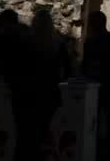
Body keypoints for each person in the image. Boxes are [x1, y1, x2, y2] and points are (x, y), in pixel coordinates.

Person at [12, 10, 71, 161]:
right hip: (48, 97)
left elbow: (14, 69)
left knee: (23, 138)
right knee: (42, 137)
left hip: (24, 96)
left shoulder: (23, 43)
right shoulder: (58, 46)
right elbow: (68, 71)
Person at [82, 11, 110, 157]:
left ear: (92, 25)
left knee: (92, 121)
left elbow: (85, 66)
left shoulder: (90, 42)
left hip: (94, 86)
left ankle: (92, 150)